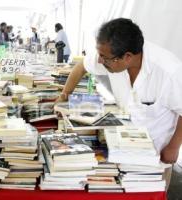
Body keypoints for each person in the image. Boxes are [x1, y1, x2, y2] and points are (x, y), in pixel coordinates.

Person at [56, 18, 182, 187]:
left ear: (127, 57)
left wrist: (174, 146)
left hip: (155, 154)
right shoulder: (111, 55)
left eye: (104, 58)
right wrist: (64, 95)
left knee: (150, 192)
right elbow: (81, 67)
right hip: (119, 146)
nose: (99, 61)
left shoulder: (169, 71)